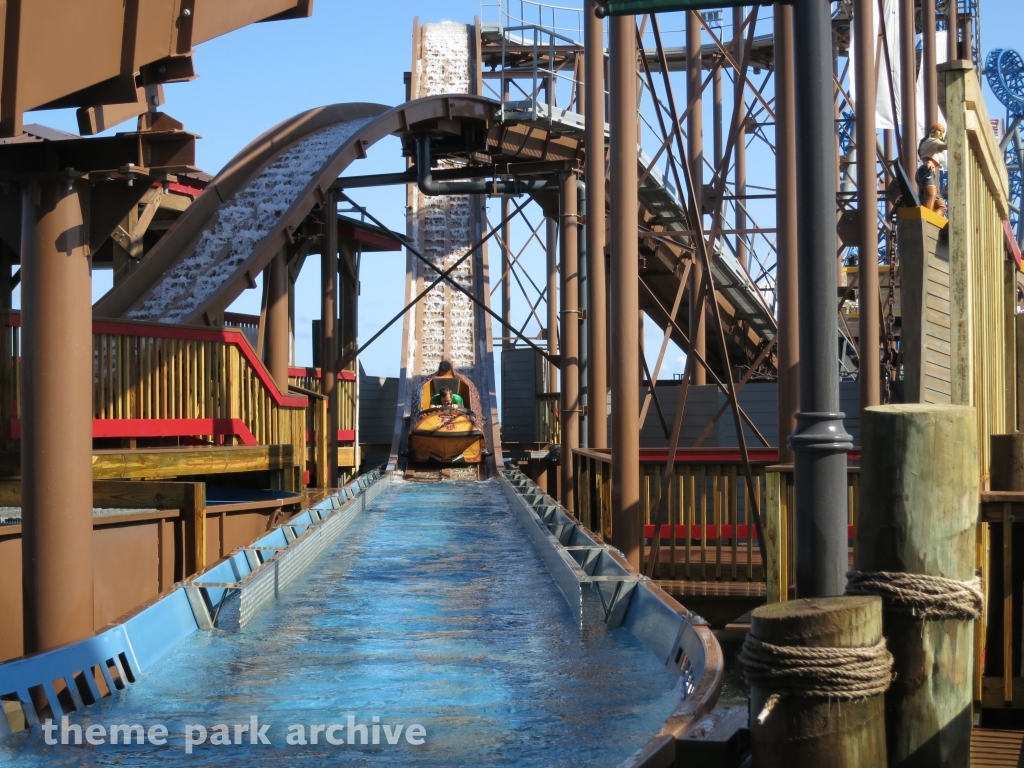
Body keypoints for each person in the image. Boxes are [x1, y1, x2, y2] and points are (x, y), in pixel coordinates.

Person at [917, 123, 948, 215]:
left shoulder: (934, 143)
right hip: (926, 171)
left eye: (943, 132)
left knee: (942, 207)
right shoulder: (932, 141)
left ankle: (932, 222)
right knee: (931, 195)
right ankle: (926, 219)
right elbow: (945, 146)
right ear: (932, 131)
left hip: (929, 173)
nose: (941, 133)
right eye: (939, 131)